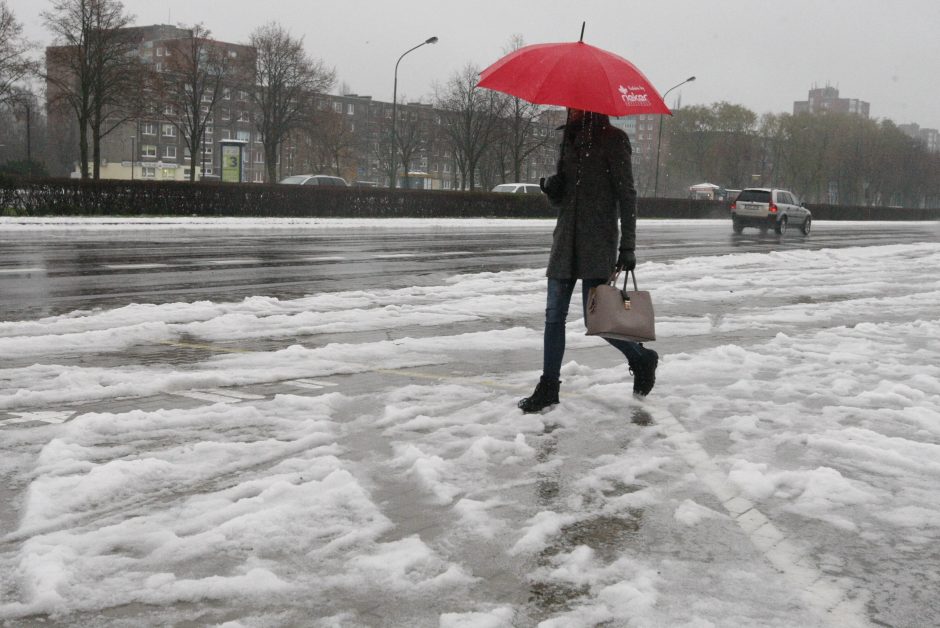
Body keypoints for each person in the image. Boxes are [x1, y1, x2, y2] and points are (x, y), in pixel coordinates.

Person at [518, 108, 659, 414]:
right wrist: (553, 190)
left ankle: (640, 357)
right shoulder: (568, 141)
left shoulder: (614, 141)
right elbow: (563, 195)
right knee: (553, 315)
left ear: (593, 108)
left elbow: (627, 194)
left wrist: (628, 246)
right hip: (566, 239)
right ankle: (548, 387)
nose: (571, 111)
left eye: (576, 107)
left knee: (595, 318)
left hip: (597, 240)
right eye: (569, 107)